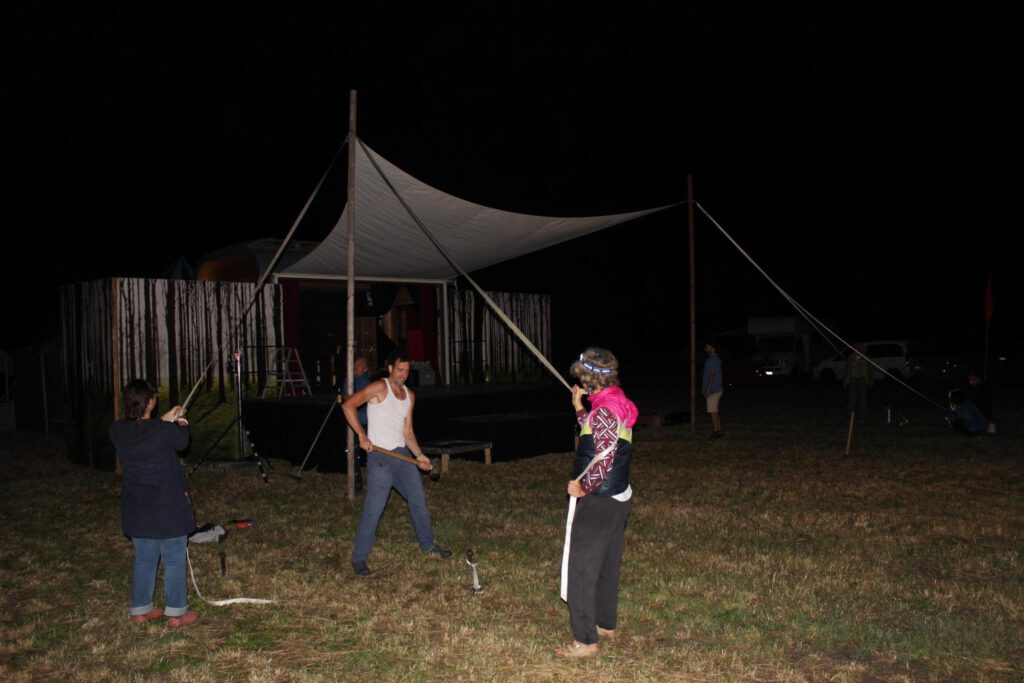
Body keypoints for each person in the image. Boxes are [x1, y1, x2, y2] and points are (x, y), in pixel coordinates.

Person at [557, 347, 638, 658]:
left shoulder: (604, 411)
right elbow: (595, 434)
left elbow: (603, 457)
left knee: (580, 567)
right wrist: (580, 408)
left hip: (600, 499)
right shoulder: (616, 402)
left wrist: (583, 487)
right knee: (606, 563)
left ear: (589, 379)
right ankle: (605, 623)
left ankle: (585, 641)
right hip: (618, 498)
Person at [341, 350, 452, 576]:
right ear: (390, 368)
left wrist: (419, 454)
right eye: (400, 370)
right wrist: (362, 435)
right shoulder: (379, 388)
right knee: (375, 507)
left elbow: (407, 432)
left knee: (418, 500)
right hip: (380, 457)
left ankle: (428, 545)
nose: (404, 374)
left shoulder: (409, 396)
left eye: (407, 371)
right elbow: (348, 406)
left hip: (402, 455)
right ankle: (359, 558)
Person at [109, 380, 199, 628]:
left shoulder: (117, 431)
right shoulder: (163, 431)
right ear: (150, 401)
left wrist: (165, 419)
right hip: (167, 507)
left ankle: (140, 610)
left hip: (137, 509)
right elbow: (181, 441)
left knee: (145, 559)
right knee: (174, 559)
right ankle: (176, 614)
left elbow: (144, 431)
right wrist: (181, 419)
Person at [343, 355, 372, 493]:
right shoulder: (348, 380)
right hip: (353, 422)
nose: (355, 367)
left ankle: (372, 484)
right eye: (354, 364)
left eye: (359, 365)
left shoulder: (365, 382)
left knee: (369, 454)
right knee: (352, 453)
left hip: (366, 423)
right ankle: (356, 485)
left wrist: (351, 399)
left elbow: (355, 400)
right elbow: (347, 400)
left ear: (365, 369)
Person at [843, 342, 874, 417]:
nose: (860, 350)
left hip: (863, 380)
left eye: (862, 349)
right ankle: (851, 414)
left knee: (862, 398)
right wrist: (845, 382)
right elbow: (847, 370)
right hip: (853, 379)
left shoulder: (867, 358)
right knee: (852, 397)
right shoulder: (851, 358)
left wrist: (870, 382)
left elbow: (870, 371)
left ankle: (862, 414)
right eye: (858, 348)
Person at [963, 369, 996, 434]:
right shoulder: (970, 389)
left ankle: (987, 426)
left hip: (981, 417)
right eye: (969, 379)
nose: (970, 382)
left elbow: (984, 408)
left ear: (978, 379)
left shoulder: (983, 390)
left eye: (972, 379)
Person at [701, 342, 724, 438]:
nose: (705, 349)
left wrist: (708, 389)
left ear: (713, 348)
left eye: (707, 347)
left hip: (713, 390)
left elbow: (712, 375)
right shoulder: (716, 359)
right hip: (717, 388)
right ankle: (719, 430)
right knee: (715, 411)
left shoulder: (711, 360)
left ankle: (716, 432)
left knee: (712, 412)